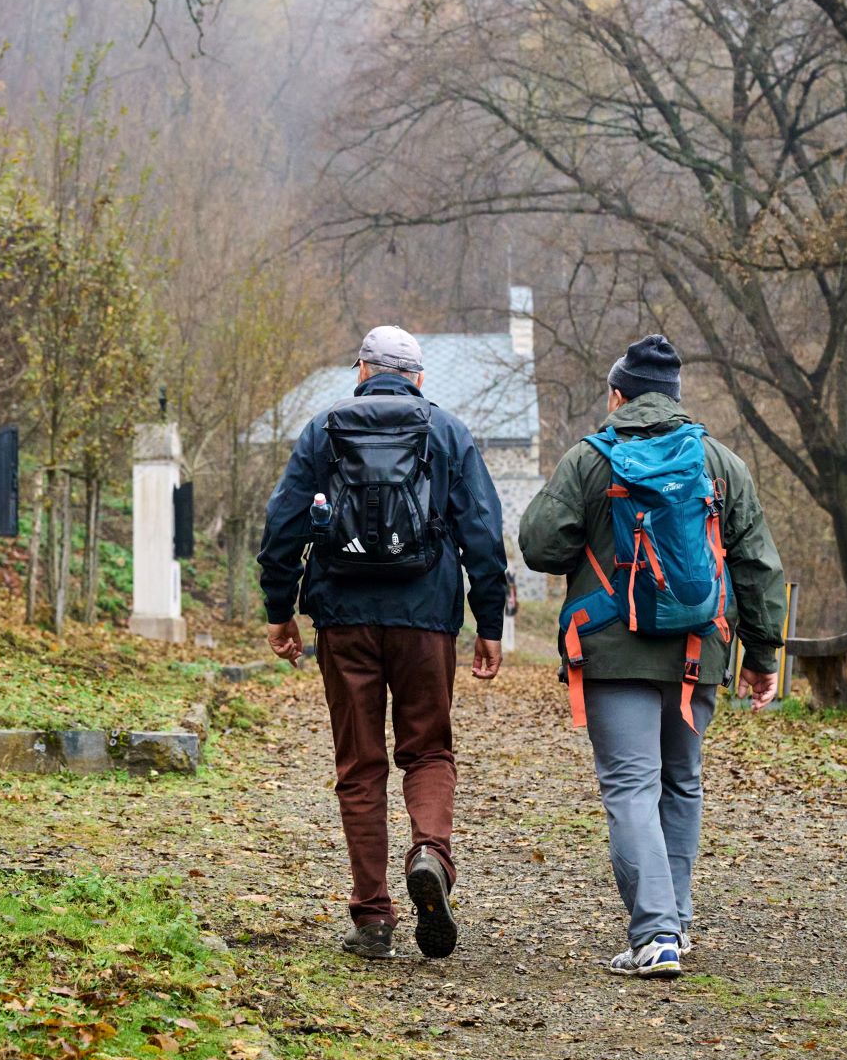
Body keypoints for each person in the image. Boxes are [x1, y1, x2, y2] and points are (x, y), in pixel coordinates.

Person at [519, 334, 786, 978]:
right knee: (681, 781)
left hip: (612, 650)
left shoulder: (590, 459)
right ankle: (677, 923)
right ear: (674, 397)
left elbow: (540, 546)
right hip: (700, 649)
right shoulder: (721, 464)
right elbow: (755, 564)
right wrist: (764, 652)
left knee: (632, 789)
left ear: (618, 395)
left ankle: (656, 934)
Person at [258, 325, 510, 960]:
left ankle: (373, 918)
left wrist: (280, 610)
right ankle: (429, 854)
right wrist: (489, 623)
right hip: (426, 618)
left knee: (360, 764)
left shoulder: (323, 429)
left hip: (343, 616)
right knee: (427, 751)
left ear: (361, 371)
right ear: (419, 378)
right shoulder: (447, 431)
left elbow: (284, 524)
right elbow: (481, 530)